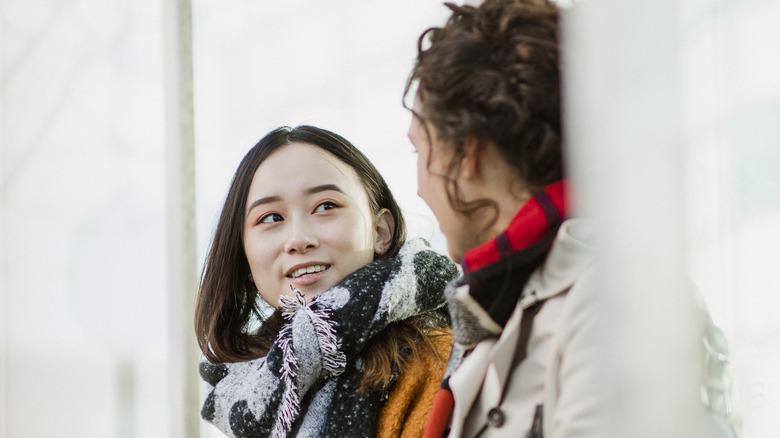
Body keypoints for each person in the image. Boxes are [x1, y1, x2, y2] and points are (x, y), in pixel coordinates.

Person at [405, 1, 742, 437]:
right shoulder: (507, 306)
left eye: (419, 150)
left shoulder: (610, 297)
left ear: (464, 153)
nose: (416, 186)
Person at [194, 125, 460, 438]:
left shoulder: (443, 362)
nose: (298, 239)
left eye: (326, 206)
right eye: (271, 218)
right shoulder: (245, 390)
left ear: (381, 232)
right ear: (245, 256)